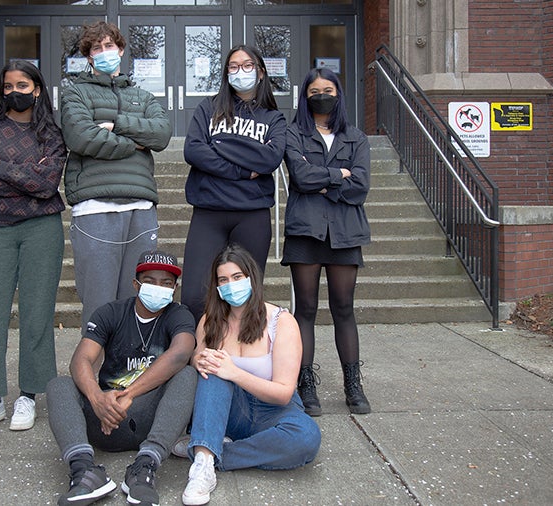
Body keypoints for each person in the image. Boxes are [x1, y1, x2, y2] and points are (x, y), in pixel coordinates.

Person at [0, 60, 67, 432]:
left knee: (37, 314)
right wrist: (24, 174)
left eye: (22, 85)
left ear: (37, 89)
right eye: (8, 86)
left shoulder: (50, 132)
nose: (14, 92)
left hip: (43, 228)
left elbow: (47, 183)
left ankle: (29, 396)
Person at [46, 250, 197, 506]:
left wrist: (129, 395)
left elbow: (180, 353)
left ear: (175, 288)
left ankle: (145, 468)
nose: (158, 288)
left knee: (187, 374)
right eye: (150, 281)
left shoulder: (179, 314)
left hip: (151, 418)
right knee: (59, 385)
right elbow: (81, 359)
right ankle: (84, 471)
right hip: (104, 418)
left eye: (167, 283)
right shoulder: (111, 313)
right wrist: (96, 398)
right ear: (135, 284)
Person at [175, 243, 321, 506]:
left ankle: (209, 453)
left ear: (252, 277)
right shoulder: (210, 321)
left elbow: (284, 393)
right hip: (230, 410)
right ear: (216, 286)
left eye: (237, 277)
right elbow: (197, 360)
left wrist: (235, 372)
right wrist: (200, 360)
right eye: (223, 280)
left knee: (306, 437)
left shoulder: (281, 321)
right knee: (214, 368)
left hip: (272, 411)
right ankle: (204, 466)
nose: (230, 284)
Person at [60, 20, 172, 330]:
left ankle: (127, 374)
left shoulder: (143, 97)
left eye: (110, 46)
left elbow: (161, 135)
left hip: (141, 209)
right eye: (97, 48)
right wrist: (135, 143)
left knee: (137, 300)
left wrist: (117, 124)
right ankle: (93, 373)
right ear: (89, 56)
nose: (104, 52)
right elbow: (81, 137)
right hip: (95, 207)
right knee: (99, 304)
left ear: (120, 50)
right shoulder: (75, 94)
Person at [282, 67, 372, 416]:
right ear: (305, 96)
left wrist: (325, 183)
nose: (322, 95)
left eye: (329, 89)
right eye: (315, 90)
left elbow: (361, 186)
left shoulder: (357, 138)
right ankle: (306, 384)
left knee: (344, 308)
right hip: (306, 229)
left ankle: (353, 385)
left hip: (346, 232)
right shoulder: (293, 134)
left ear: (339, 95)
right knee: (304, 309)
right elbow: (301, 178)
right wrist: (339, 175)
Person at [180, 44, 287, 321]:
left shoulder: (274, 118)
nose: (241, 72)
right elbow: (193, 150)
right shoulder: (209, 108)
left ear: (261, 72)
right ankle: (198, 355)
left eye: (248, 65)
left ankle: (240, 355)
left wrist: (220, 144)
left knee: (243, 294)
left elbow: (270, 159)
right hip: (209, 212)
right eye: (234, 66)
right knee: (194, 295)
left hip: (252, 215)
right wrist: (242, 169)